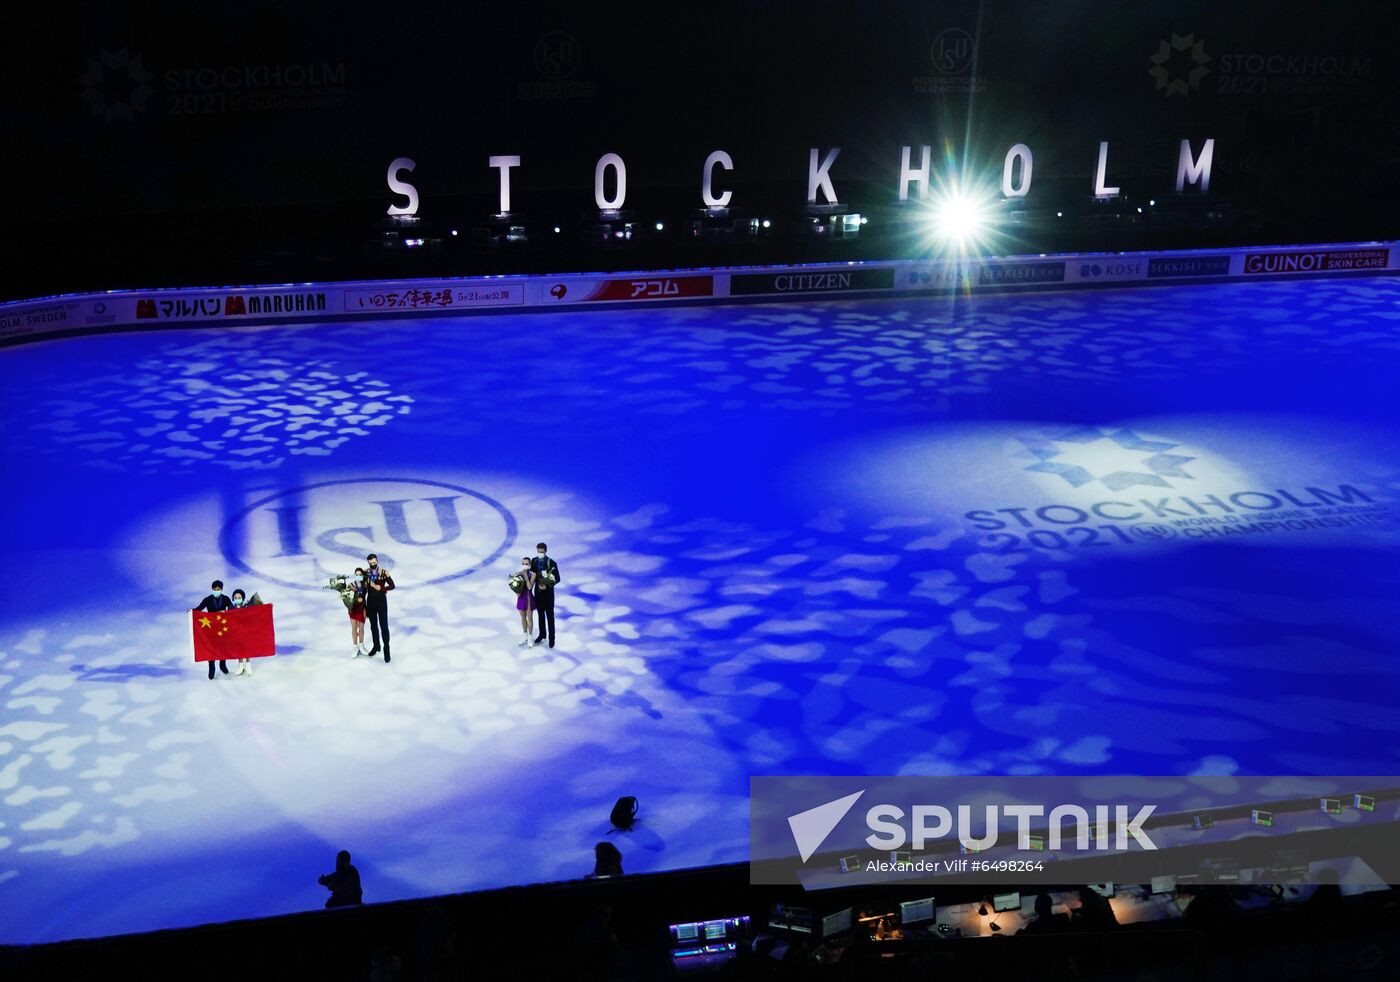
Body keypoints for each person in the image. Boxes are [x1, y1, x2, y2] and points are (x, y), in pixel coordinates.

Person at [195, 579, 232, 679]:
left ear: (221, 589)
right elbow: (199, 609)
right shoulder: (207, 599)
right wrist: (191, 611)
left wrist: (225, 611)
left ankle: (222, 665)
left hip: (223, 628)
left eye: (218, 589)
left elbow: (232, 609)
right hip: (211, 629)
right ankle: (211, 667)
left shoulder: (226, 599)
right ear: (212, 589)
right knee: (211, 648)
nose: (216, 590)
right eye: (215, 589)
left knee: (223, 646)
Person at [363, 553, 395, 663]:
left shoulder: (384, 572)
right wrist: (363, 605)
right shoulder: (365, 572)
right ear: (368, 562)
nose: (372, 564)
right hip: (370, 602)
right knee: (373, 626)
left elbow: (392, 585)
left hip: (381, 602)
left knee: (384, 626)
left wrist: (381, 588)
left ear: (377, 561)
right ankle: (376, 646)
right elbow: (363, 589)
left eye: (374, 563)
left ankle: (387, 650)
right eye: (370, 563)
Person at [530, 542, 561, 648]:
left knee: (550, 616)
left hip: (548, 594)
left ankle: (552, 638)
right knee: (540, 615)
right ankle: (542, 634)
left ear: (546, 551)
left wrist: (547, 586)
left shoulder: (551, 563)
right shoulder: (534, 561)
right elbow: (532, 575)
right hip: (538, 593)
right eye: (538, 551)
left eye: (542, 552)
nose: (540, 553)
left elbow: (557, 578)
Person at [511, 557, 537, 648]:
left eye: (526, 564)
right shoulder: (519, 573)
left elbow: (529, 587)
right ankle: (525, 635)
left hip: (529, 598)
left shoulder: (533, 574)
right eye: (523, 563)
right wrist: (516, 591)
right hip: (521, 597)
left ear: (529, 565)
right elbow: (515, 585)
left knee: (529, 618)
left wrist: (525, 577)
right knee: (522, 617)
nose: (524, 565)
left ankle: (530, 636)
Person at [229, 589, 255, 677]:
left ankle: (248, 664)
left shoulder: (246, 607)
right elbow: (227, 616)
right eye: (235, 597)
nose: (237, 599)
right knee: (238, 648)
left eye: (239, 597)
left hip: (245, 631)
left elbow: (259, 609)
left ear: (242, 598)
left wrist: (269, 606)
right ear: (233, 598)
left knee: (246, 647)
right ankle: (240, 665)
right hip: (236, 632)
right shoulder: (231, 608)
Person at [347, 567, 368, 658]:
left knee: (362, 628)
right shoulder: (350, 585)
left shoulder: (365, 585)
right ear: (354, 575)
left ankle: (362, 646)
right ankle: (355, 647)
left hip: (362, 608)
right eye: (357, 575)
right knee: (354, 629)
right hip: (353, 610)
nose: (358, 576)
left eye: (360, 575)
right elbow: (346, 597)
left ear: (362, 576)